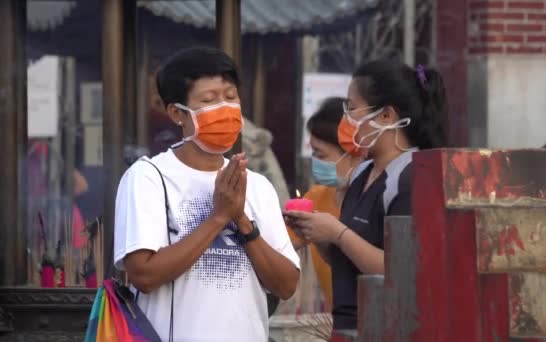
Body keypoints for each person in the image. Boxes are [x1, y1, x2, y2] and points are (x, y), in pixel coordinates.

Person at [113, 46, 300, 341]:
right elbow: (143, 275)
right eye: (209, 100)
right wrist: (218, 218)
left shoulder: (256, 185)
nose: (224, 108)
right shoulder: (149, 177)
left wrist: (243, 222)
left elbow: (286, 285)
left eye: (230, 96)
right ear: (177, 113)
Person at [286, 61, 447, 330]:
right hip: (349, 325)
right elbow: (348, 260)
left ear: (386, 116)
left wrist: (337, 232)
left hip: (390, 328)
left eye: (351, 108)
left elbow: (398, 269)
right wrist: (319, 235)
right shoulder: (361, 173)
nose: (346, 120)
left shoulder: (413, 175)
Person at [288, 97, 361, 311]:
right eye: (313, 153)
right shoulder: (316, 199)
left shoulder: (374, 202)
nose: (316, 162)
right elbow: (282, 247)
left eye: (321, 155)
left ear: (354, 155)